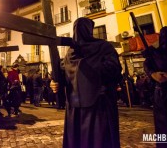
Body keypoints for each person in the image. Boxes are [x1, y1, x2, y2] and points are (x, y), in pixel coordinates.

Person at [52, 17, 122, 148]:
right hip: (76, 108)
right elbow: (63, 75)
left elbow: (114, 71)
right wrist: (55, 83)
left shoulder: (103, 47)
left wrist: (86, 66)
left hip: (98, 105)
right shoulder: (70, 53)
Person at [143, 26, 167, 148]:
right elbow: (148, 65)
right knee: (163, 129)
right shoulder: (155, 51)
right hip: (161, 94)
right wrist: (154, 74)